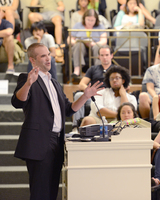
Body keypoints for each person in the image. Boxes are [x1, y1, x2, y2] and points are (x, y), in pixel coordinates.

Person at [11, 43, 102, 200]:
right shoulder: (27, 79)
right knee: (40, 193)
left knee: (52, 191)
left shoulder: (54, 83)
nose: (48, 58)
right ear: (33, 60)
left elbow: (68, 109)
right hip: (39, 142)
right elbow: (17, 102)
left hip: (57, 142)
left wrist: (85, 96)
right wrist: (28, 83)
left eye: (49, 54)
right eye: (43, 56)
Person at [72, 45, 115, 132]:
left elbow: (125, 86)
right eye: (102, 55)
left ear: (111, 55)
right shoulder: (93, 69)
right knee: (78, 95)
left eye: (107, 55)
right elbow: (81, 84)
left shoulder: (116, 69)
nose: (104, 57)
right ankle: (75, 127)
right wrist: (91, 91)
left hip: (109, 97)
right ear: (98, 56)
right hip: (94, 96)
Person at [68, 9, 107, 78]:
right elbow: (69, 39)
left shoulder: (100, 26)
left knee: (98, 46)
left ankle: (97, 70)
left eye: (92, 20)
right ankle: (77, 70)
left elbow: (104, 40)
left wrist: (94, 44)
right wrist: (75, 41)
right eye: (88, 20)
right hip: (82, 49)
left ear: (96, 20)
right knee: (78, 45)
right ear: (84, 19)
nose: (90, 22)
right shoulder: (78, 25)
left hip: (94, 48)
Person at [0, 8, 14, 74]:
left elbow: (9, 32)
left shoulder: (5, 23)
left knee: (10, 37)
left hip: (4, 44)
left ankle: (10, 66)